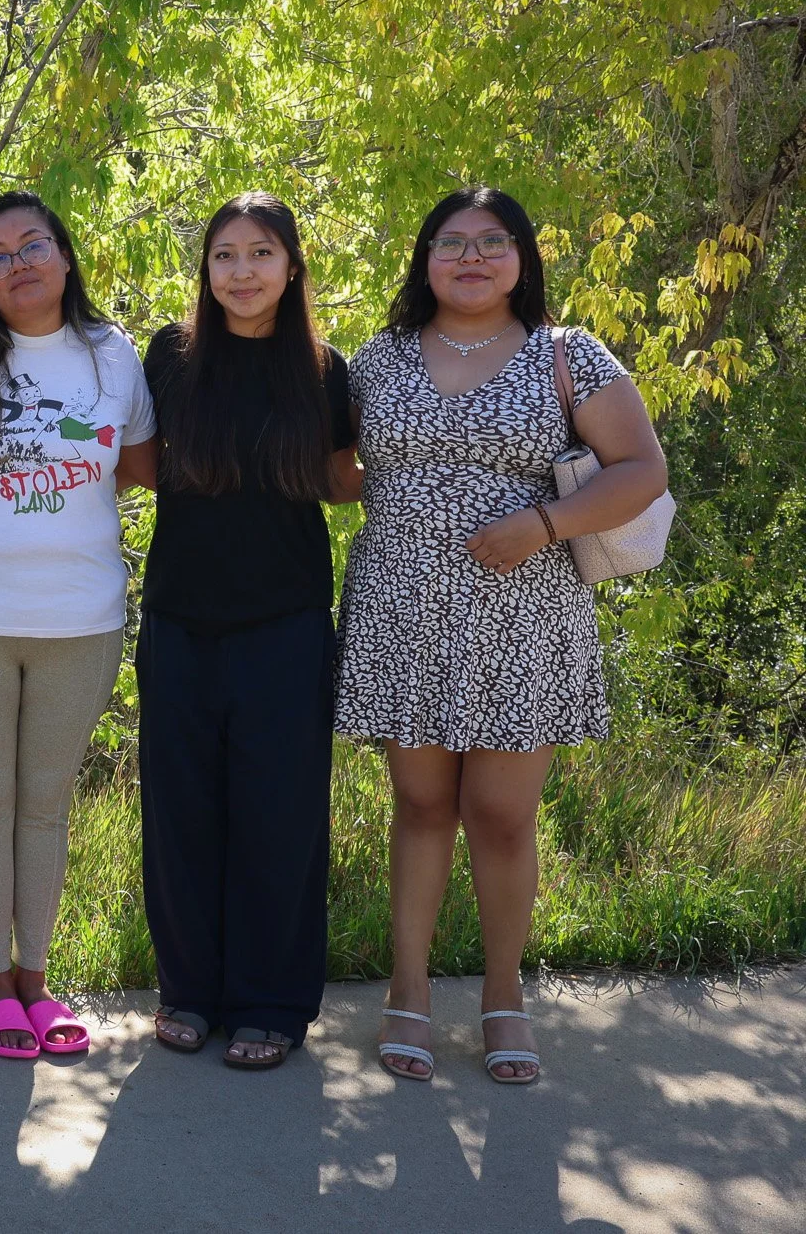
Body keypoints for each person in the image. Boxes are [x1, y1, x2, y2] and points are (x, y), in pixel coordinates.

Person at [337, 186, 668, 1084]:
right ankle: (409, 987)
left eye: (493, 241)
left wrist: (544, 524)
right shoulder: (378, 359)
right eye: (451, 242)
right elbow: (337, 467)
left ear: (522, 257)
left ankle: (503, 992)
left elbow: (643, 467)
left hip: (524, 614)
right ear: (425, 259)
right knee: (420, 805)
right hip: (404, 613)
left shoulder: (569, 353)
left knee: (501, 813)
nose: (472, 257)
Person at [0, 191, 158, 1060]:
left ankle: (36, 980)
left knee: (46, 805)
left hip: (81, 619)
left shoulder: (113, 352)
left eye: (33, 245)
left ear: (64, 254)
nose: (18, 263)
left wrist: (54, 501)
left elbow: (135, 466)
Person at [136, 192, 361, 1071]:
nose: (241, 272)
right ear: (206, 267)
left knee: (281, 817)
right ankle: (188, 991)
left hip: (286, 625)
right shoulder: (171, 355)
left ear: (293, 267)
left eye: (261, 253)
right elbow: (136, 459)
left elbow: (341, 479)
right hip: (180, 620)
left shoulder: (327, 371)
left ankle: (271, 1003)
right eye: (224, 255)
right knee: (181, 814)